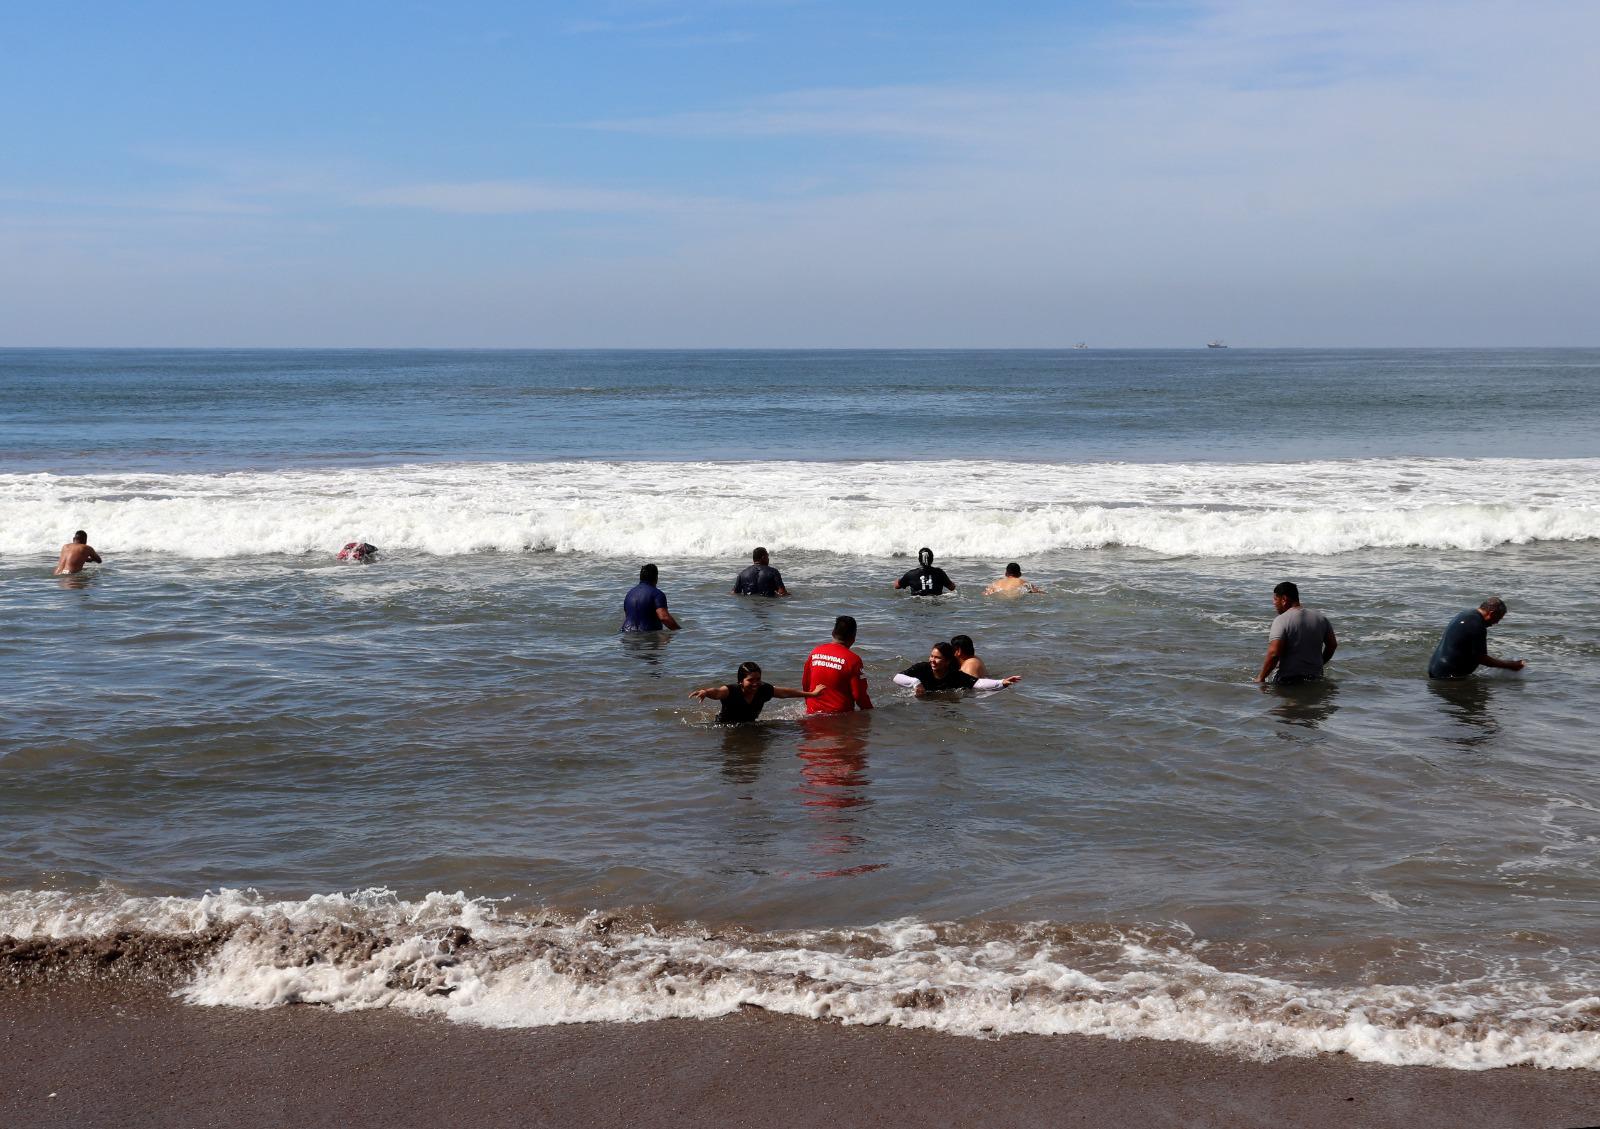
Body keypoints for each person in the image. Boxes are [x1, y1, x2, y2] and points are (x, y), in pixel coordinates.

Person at [1255, 581, 1337, 684]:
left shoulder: (1281, 620)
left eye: (1275, 599)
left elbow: (1274, 653)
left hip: (1288, 681)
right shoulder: (1320, 618)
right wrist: (1319, 664)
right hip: (1315, 678)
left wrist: (1261, 677)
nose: (1274, 603)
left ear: (1284, 599)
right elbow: (1332, 645)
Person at [690, 661, 821, 723]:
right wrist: (705, 692)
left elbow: (785, 693)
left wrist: (812, 694)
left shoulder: (763, 689)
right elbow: (717, 692)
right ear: (741, 681)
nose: (755, 683)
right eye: (750, 680)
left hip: (750, 725)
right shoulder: (732, 690)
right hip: (726, 727)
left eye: (758, 679)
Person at [1428, 597, 1525, 679]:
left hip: (1436, 669)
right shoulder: (1477, 625)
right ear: (1491, 613)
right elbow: (1482, 659)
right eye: (1498, 619)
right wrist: (1511, 665)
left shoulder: (1466, 614)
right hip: (1448, 676)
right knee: (1479, 700)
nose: (1496, 623)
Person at [894, 641, 1020, 697]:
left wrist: (1001, 682)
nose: (932, 660)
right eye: (931, 656)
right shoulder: (922, 668)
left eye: (937, 658)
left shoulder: (955, 675)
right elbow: (897, 677)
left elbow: (978, 683)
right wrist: (916, 683)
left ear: (948, 661)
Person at [802, 615, 873, 714]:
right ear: (853, 638)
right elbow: (859, 695)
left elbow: (805, 683)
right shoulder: (853, 660)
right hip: (838, 717)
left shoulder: (815, 651)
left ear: (833, 633)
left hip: (812, 712)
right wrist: (871, 715)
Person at [622, 563, 681, 632]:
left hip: (627, 635)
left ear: (640, 577)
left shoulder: (629, 594)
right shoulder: (657, 594)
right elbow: (664, 617)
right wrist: (680, 632)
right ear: (656, 578)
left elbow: (628, 616)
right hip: (646, 635)